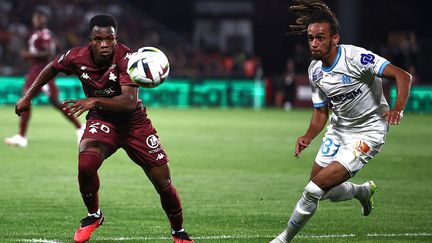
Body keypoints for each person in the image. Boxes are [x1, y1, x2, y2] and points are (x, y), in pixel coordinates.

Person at [14, 14, 194, 243]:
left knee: (163, 183)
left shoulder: (127, 58)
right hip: (102, 120)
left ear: (115, 39)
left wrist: (94, 101)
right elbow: (51, 67)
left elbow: (128, 102)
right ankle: (93, 215)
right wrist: (27, 97)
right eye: (99, 39)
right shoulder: (75, 57)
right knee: (86, 163)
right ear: (91, 39)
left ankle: (179, 233)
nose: (105, 44)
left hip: (134, 123)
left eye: (110, 39)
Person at [270, 1, 411, 242]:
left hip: (368, 133)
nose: (314, 43)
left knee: (313, 190)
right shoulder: (315, 71)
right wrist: (307, 137)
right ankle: (362, 191)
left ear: (335, 39)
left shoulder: (357, 58)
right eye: (311, 38)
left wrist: (397, 108)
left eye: (320, 38)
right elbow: (320, 113)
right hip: (338, 130)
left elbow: (402, 75)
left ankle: (283, 239)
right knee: (322, 190)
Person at [5, 6, 83, 148]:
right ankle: (21, 136)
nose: (36, 19)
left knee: (34, 100)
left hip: (42, 73)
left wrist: (29, 55)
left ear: (44, 19)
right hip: (35, 71)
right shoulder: (37, 33)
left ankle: (79, 128)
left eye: (39, 17)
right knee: (30, 100)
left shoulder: (44, 34)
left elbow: (49, 52)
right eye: (35, 16)